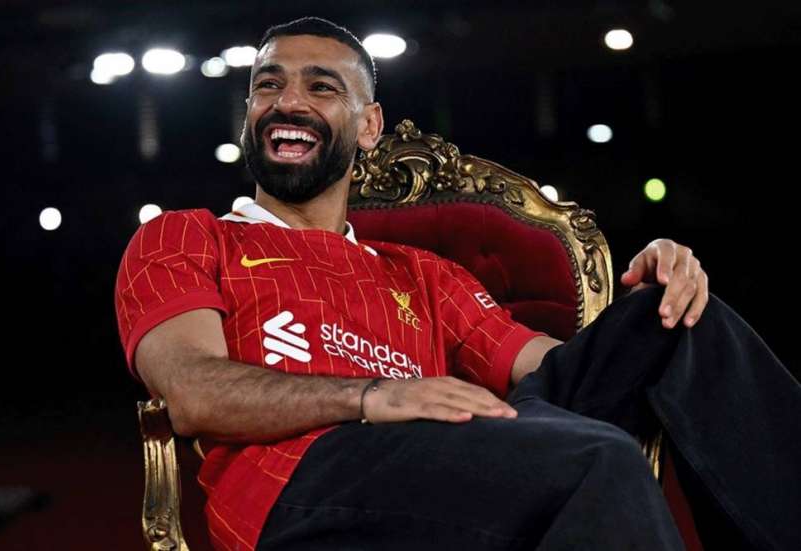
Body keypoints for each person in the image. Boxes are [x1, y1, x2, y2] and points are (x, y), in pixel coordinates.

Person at [114, 17, 800, 551]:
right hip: (302, 483)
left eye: (321, 87)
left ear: (369, 126)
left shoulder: (420, 271)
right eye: (268, 85)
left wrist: (649, 299)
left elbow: (557, 373)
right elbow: (193, 392)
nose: (288, 101)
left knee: (682, 319)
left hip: (446, 456)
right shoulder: (187, 236)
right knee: (599, 460)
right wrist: (372, 396)